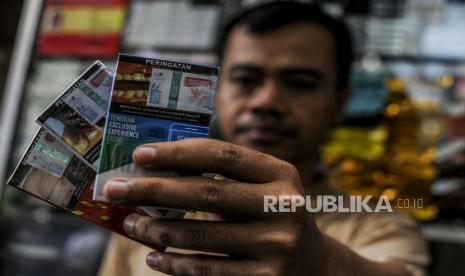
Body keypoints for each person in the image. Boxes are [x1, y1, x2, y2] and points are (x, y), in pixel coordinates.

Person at [98, 2, 429, 275]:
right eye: (246, 79)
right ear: (217, 91)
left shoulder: (377, 225)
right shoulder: (152, 210)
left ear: (339, 103)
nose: (265, 102)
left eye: (300, 83)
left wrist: (320, 263)